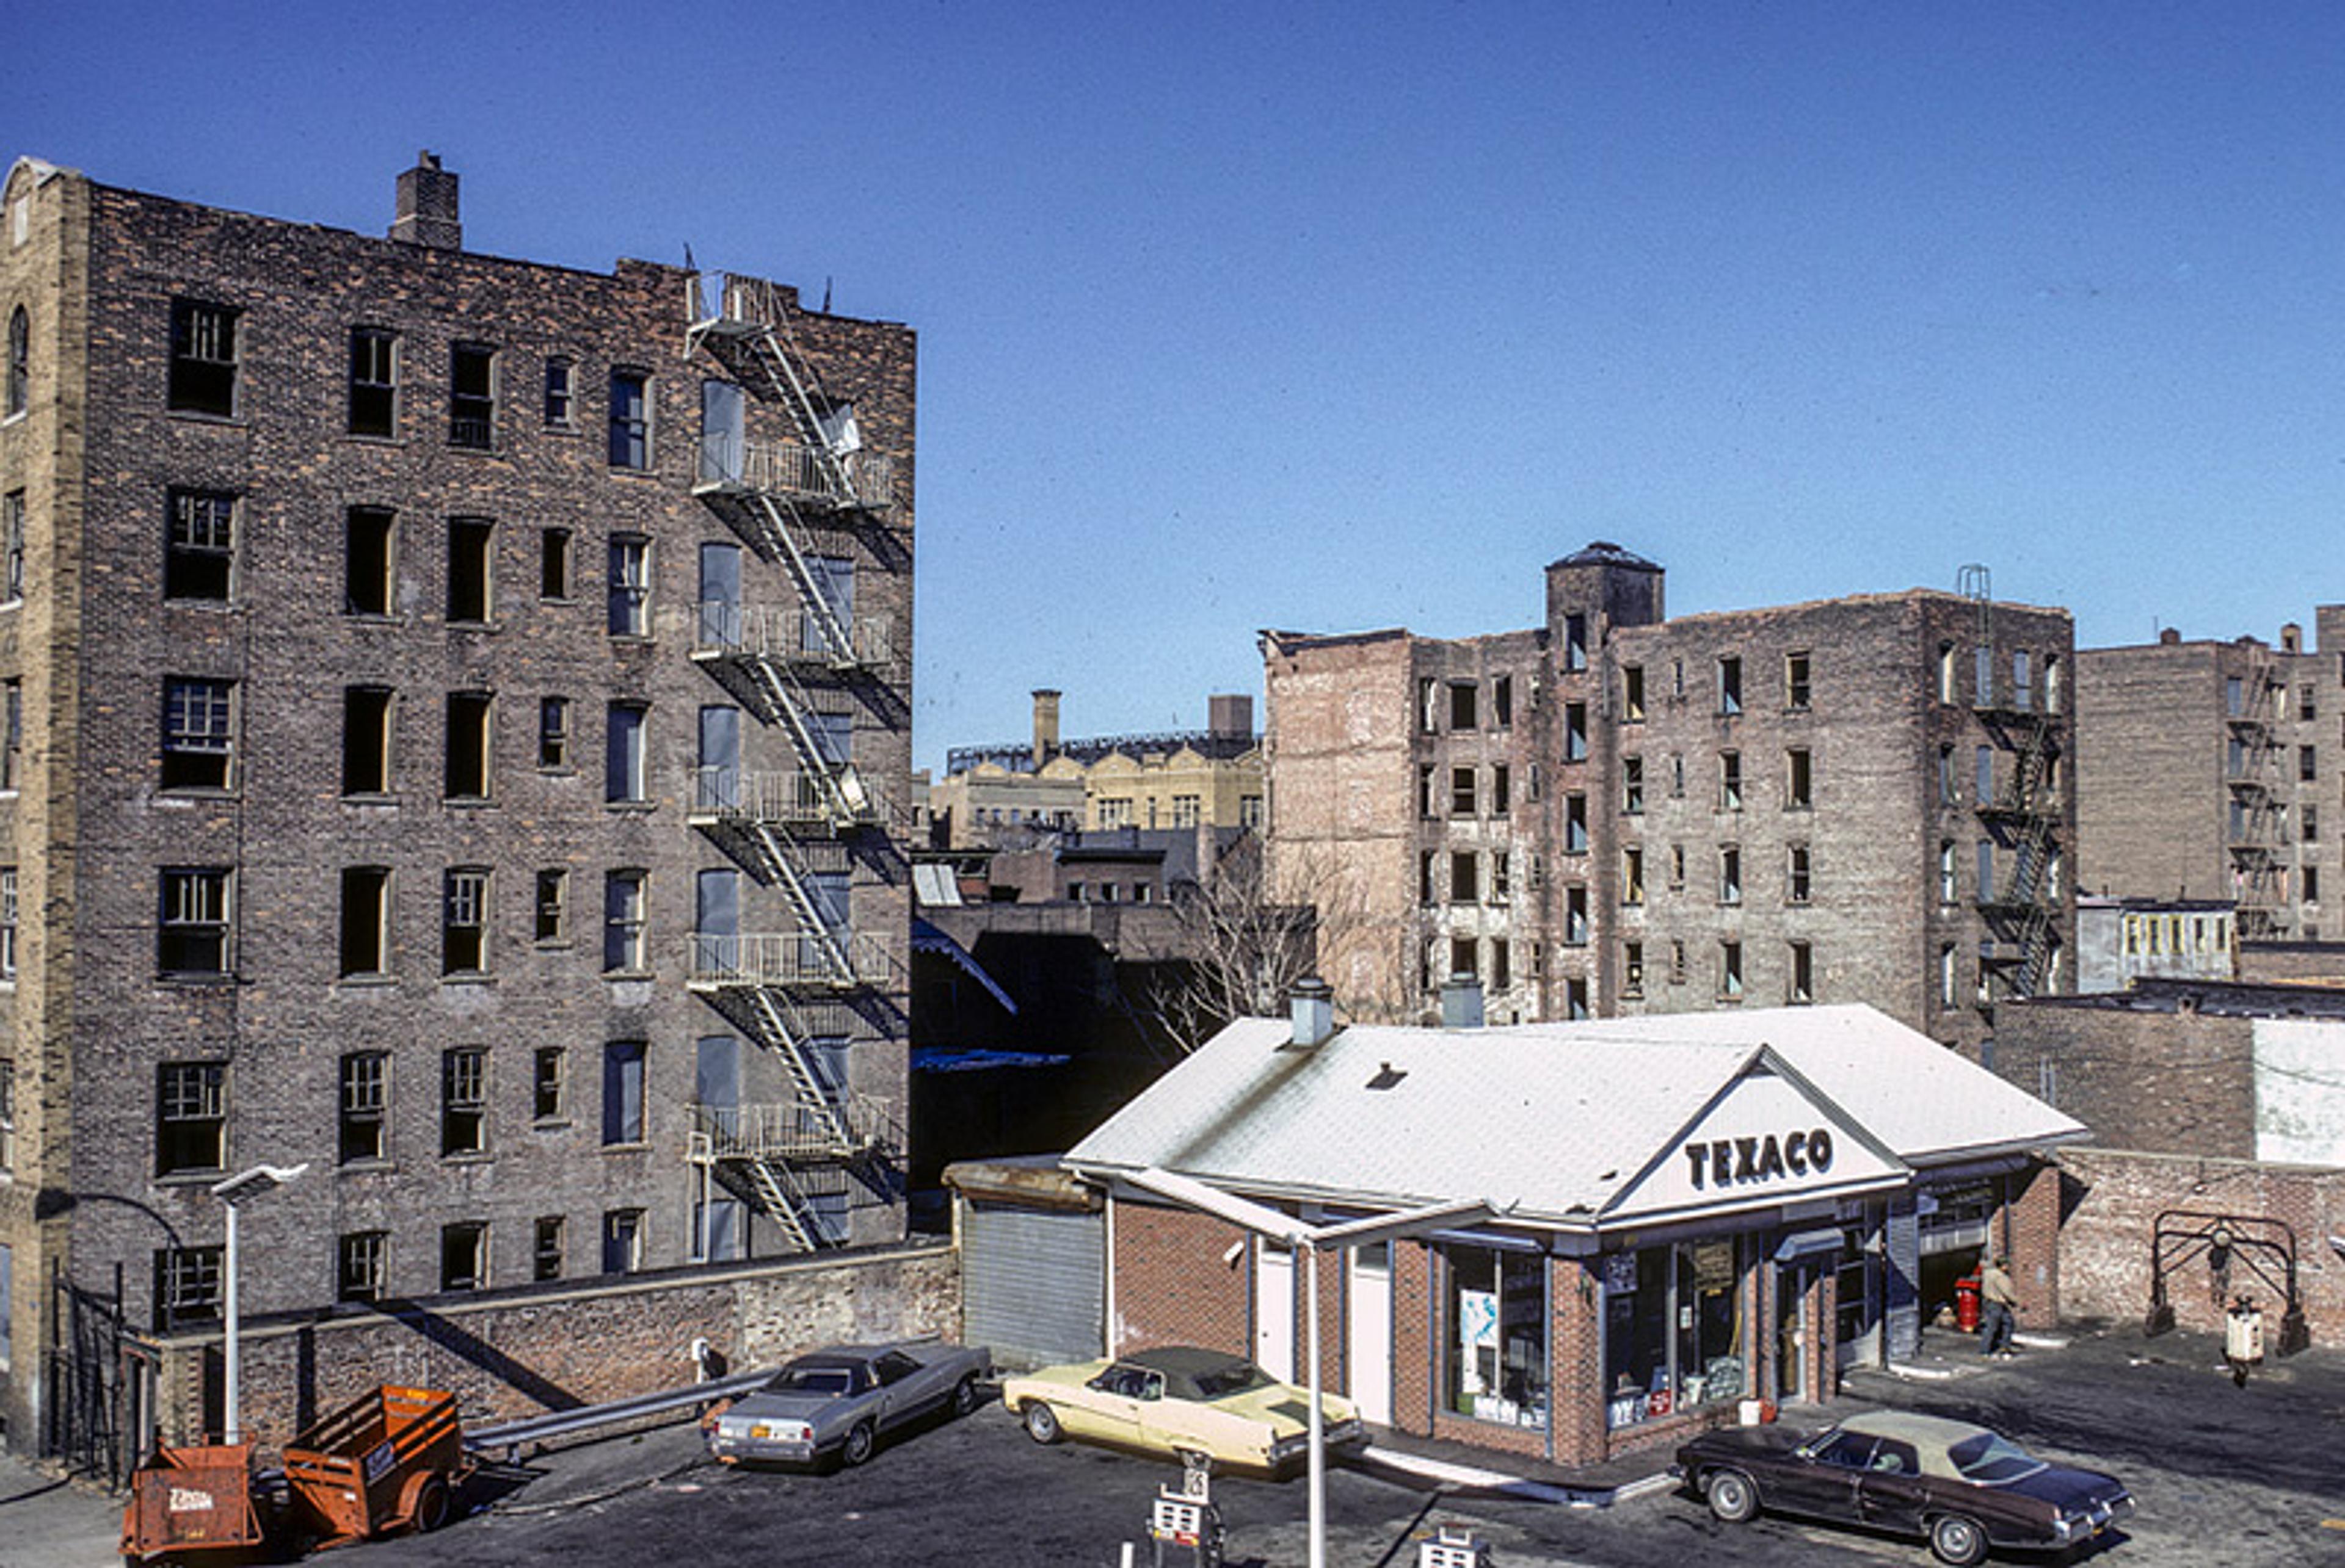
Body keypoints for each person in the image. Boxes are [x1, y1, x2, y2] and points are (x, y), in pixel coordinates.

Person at [1979, 1255, 2020, 1359]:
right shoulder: (2001, 1277)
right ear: (2003, 1266)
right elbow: (2007, 1292)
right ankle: (1987, 1351)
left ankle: (2002, 1347)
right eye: (2007, 1265)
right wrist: (2017, 1302)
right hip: (1997, 1304)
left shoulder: (1987, 1273)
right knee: (1994, 1327)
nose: (2008, 1268)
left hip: (1987, 1302)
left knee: (2006, 1322)